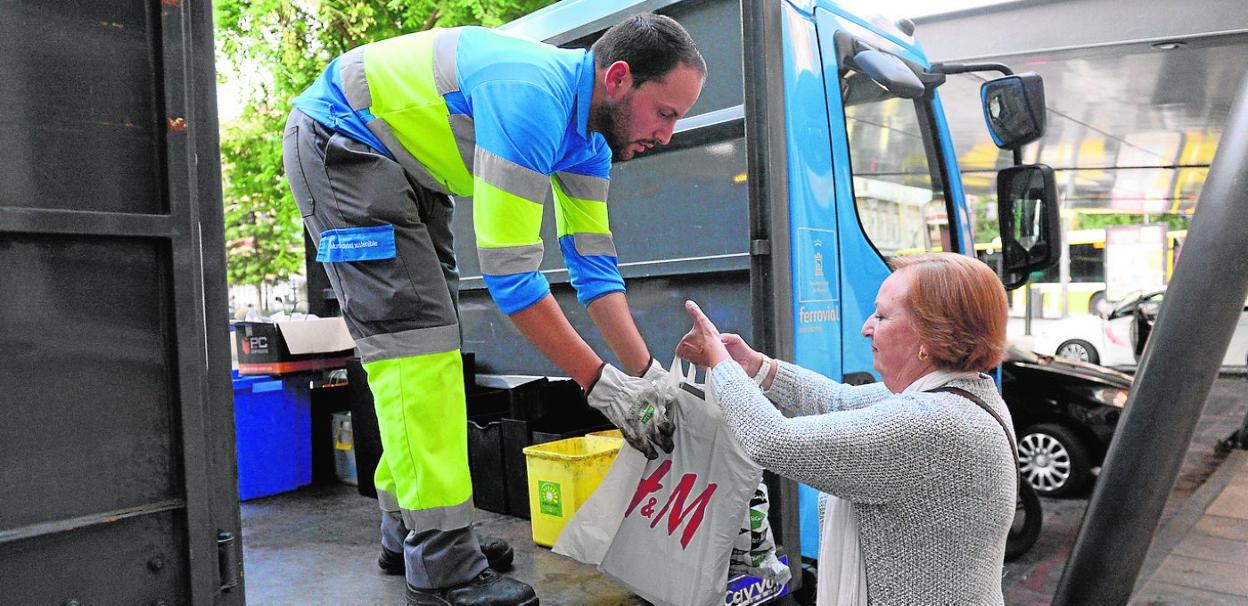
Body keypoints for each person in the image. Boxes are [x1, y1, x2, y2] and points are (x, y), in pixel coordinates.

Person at [282, 13, 705, 606]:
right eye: (665, 113)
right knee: (416, 348)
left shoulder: (589, 140)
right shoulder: (531, 98)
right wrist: (602, 386)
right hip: (341, 141)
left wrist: (648, 379)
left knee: (425, 350)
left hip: (403, 169)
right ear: (618, 78)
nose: (666, 135)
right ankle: (441, 564)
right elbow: (512, 280)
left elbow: (593, 269)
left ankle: (408, 528)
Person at [675, 253, 1017, 605]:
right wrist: (755, 367)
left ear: (929, 337)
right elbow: (839, 400)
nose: (866, 327)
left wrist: (720, 364)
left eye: (882, 316)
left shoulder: (934, 424)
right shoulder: (959, 394)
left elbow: (772, 440)